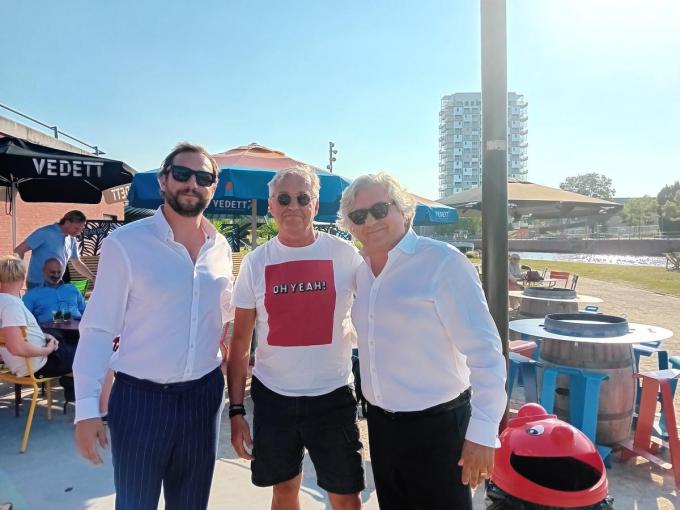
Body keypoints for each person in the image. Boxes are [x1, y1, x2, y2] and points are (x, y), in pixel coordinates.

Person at [73, 142, 234, 510]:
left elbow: (225, 312)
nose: (192, 183)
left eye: (203, 177)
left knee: (192, 504)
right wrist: (85, 410)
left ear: (212, 187)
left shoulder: (221, 247)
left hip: (203, 397)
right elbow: (97, 330)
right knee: (135, 504)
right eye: (182, 174)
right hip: (141, 400)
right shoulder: (126, 244)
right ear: (164, 181)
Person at [339, 173, 507, 510]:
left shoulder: (443, 263)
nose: (369, 221)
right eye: (358, 216)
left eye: (379, 209)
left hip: (440, 430)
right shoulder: (361, 272)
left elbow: (486, 353)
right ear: (351, 226)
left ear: (403, 210)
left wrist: (483, 432)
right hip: (383, 428)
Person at [228, 165, 364, 510]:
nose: (293, 206)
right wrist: (237, 411)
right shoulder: (255, 263)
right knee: (284, 491)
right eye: (284, 199)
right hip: (275, 398)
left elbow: (380, 310)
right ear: (271, 205)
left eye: (303, 198)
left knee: (347, 497)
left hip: (332, 395)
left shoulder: (344, 254)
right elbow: (241, 343)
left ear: (315, 206)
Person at [0, 255, 75, 400]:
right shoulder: (11, 306)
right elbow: (17, 348)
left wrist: (44, 337)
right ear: (23, 277)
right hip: (38, 366)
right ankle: (84, 398)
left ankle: (72, 384)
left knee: (71, 345)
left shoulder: (7, 302)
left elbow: (18, 335)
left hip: (32, 361)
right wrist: (47, 349)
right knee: (87, 353)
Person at [14, 210, 95, 290]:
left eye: (81, 229)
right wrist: (17, 278)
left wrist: (92, 277)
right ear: (67, 222)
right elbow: (19, 250)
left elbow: (76, 262)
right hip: (37, 284)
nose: (78, 232)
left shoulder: (72, 239)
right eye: (76, 228)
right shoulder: (45, 233)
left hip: (56, 285)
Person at [22, 258, 86, 324]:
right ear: (43, 271)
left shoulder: (72, 289)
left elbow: (86, 312)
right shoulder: (32, 295)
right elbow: (23, 320)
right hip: (49, 331)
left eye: (59, 272)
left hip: (77, 329)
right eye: (52, 272)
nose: (56, 275)